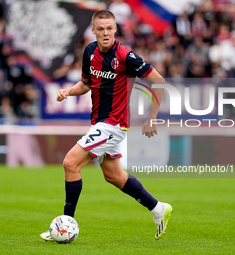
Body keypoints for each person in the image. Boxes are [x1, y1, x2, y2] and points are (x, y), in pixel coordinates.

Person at [40, 10, 172, 241]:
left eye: (109, 28)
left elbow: (158, 81)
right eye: (100, 29)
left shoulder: (126, 56)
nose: (105, 33)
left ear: (115, 29)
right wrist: (67, 92)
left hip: (114, 124)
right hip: (99, 123)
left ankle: (64, 226)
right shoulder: (90, 51)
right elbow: (86, 83)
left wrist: (152, 118)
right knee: (114, 176)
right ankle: (159, 208)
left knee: (70, 163)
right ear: (93, 30)